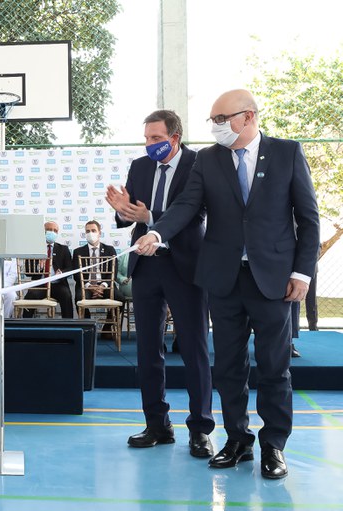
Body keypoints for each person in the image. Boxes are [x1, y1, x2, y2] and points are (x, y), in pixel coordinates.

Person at [135, 90, 320, 479]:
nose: (215, 126)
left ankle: (273, 445)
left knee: (274, 367)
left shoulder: (287, 153)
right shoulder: (208, 159)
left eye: (222, 119)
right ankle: (238, 439)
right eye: (213, 120)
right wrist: (157, 234)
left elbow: (308, 218)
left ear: (248, 116)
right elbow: (187, 205)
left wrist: (302, 273)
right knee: (229, 368)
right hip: (223, 279)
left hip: (273, 281)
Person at [106, 110, 214, 459]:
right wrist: (123, 212)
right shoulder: (139, 166)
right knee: (148, 349)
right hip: (146, 266)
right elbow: (128, 215)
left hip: (185, 265)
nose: (149, 144)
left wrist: (150, 218)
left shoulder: (200, 163)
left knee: (194, 349)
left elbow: (192, 212)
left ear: (175, 137)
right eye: (147, 138)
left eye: (156, 138)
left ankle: (200, 428)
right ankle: (157, 424)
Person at [22, 221, 73, 318]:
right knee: (30, 296)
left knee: (66, 295)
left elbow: (70, 267)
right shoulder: (34, 248)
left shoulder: (63, 249)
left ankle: (69, 326)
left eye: (55, 230)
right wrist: (38, 267)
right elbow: (27, 272)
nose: (52, 232)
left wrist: (62, 272)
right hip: (40, 284)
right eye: (49, 230)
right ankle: (25, 326)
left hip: (58, 284)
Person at [72, 220, 117, 316]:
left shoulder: (110, 250)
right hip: (86, 286)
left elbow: (114, 273)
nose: (90, 233)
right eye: (87, 231)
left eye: (93, 230)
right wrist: (90, 286)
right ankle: (88, 327)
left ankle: (108, 326)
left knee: (119, 297)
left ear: (99, 233)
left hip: (105, 285)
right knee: (79, 298)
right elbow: (76, 276)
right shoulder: (78, 252)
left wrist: (102, 286)